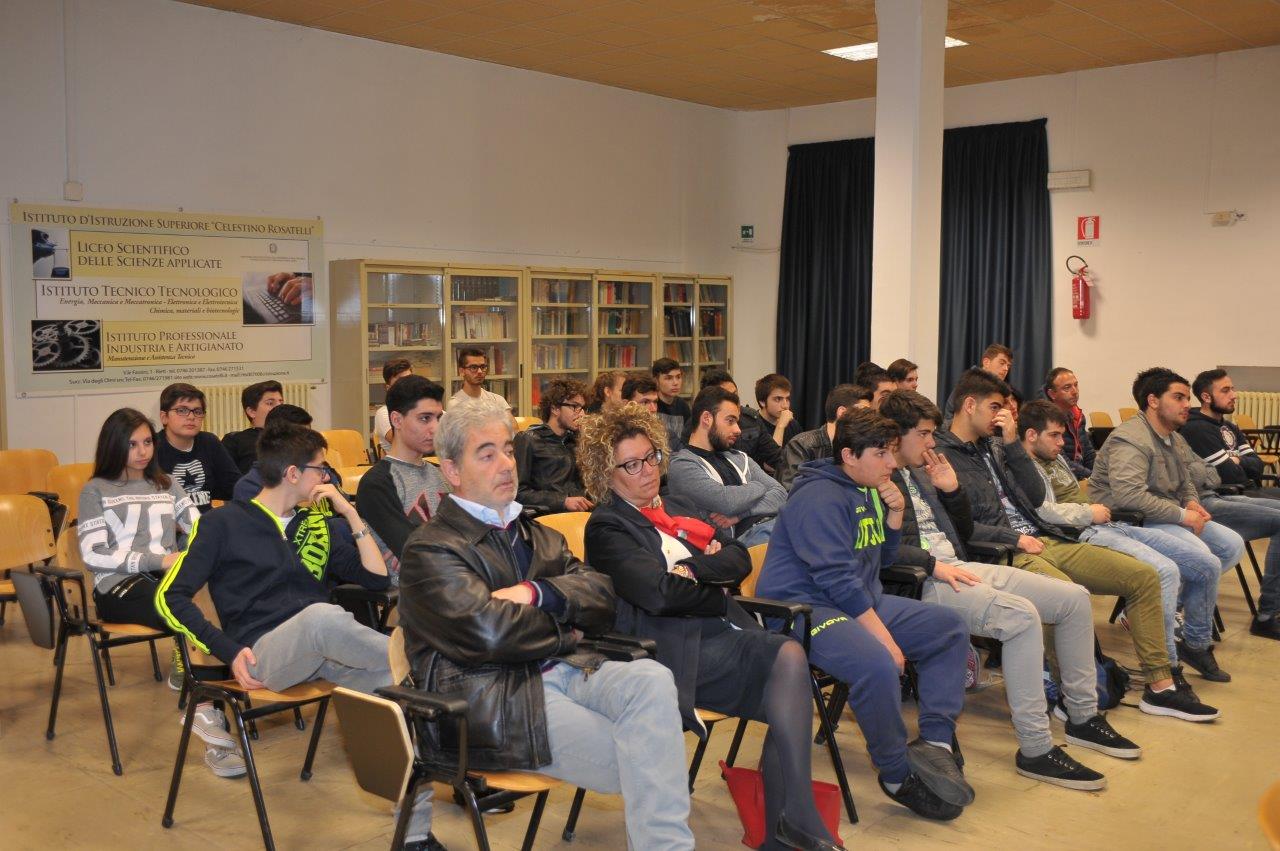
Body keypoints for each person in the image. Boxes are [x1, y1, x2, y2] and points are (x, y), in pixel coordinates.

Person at [396, 397, 695, 849]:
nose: (506, 464)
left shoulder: (537, 535)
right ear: (452, 470)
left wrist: (537, 594)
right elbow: (489, 632)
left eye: (508, 450)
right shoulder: (431, 549)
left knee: (651, 679)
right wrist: (568, 628)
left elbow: (602, 597)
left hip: (566, 670)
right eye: (486, 454)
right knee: (647, 757)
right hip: (492, 700)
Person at [579, 402, 841, 851]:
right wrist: (714, 589)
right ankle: (793, 824)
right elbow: (659, 595)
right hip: (668, 649)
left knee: (789, 678)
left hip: (718, 630)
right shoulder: (607, 527)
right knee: (788, 664)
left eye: (651, 457)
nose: (647, 470)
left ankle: (791, 826)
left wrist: (692, 571)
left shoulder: (676, 505)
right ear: (606, 474)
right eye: (631, 464)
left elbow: (737, 557)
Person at [880, 391, 1138, 787]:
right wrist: (933, 565)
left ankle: (1083, 716)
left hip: (960, 567)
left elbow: (964, 530)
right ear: (895, 436)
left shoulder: (921, 470)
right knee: (1021, 618)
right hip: (920, 581)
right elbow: (879, 551)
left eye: (932, 433)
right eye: (924, 434)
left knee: (1074, 599)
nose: (932, 442)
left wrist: (950, 491)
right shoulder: (877, 477)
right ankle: (1035, 748)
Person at [936, 368, 1218, 722]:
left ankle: (1160, 687)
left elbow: (1036, 497)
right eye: (995, 407)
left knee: (1146, 577)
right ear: (969, 405)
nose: (1002, 415)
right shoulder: (941, 454)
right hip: (1006, 549)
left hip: (1048, 536)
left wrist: (1010, 444)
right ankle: (1071, 698)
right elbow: (957, 524)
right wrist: (1013, 538)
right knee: (1068, 595)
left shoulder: (995, 446)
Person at [757, 407, 973, 821]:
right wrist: (886, 641)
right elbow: (837, 581)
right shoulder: (818, 498)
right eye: (881, 454)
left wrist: (895, 514)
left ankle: (935, 743)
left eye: (891, 451)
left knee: (948, 628)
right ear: (849, 455)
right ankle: (896, 774)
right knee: (877, 664)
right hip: (805, 610)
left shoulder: (868, 487)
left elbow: (883, 559)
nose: (892, 462)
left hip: (856, 601)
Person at [156, 423, 393, 782]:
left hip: (319, 653)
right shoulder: (222, 523)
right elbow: (170, 596)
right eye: (321, 468)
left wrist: (350, 513)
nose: (327, 477)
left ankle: (409, 802)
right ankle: (423, 659)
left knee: (391, 683)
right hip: (260, 654)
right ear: (293, 473)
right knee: (323, 617)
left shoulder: (314, 524)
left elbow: (377, 579)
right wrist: (228, 650)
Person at [76, 408, 243, 777]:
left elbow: (199, 529)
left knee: (221, 602)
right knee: (193, 615)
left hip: (169, 581)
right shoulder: (96, 490)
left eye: (147, 442)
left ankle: (208, 710)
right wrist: (159, 559)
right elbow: (93, 553)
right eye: (132, 444)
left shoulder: (166, 484)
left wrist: (197, 554)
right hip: (118, 587)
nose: (142, 451)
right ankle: (210, 719)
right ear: (113, 446)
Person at [1018, 398, 1228, 684]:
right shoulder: (1024, 465)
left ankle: (1196, 645)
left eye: (1062, 435)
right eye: (1054, 435)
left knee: (1207, 564)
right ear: (1031, 435)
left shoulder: (1056, 458)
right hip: (1083, 532)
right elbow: (1040, 511)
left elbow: (1187, 478)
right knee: (1164, 571)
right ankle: (1169, 668)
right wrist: (1088, 513)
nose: (1061, 443)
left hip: (1110, 523)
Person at [1086, 368, 1246, 680]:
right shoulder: (1130, 438)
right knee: (1203, 559)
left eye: (1187, 398)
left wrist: (1191, 501)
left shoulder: (1173, 436)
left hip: (1164, 513)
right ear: (1153, 401)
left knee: (1231, 545)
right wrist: (1183, 515)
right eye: (1179, 397)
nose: (1188, 404)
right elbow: (1129, 497)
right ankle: (1189, 640)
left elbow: (1186, 479)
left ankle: (1173, 617)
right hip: (1129, 521)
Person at [1181, 370, 1280, 639]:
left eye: (1232, 389)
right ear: (1206, 396)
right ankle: (1267, 615)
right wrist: (1238, 464)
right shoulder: (1196, 428)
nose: (1233, 395)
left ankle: (1272, 608)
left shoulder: (1230, 427)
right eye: (1225, 390)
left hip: (1235, 492)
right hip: (1210, 500)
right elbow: (1229, 474)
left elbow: (1256, 467)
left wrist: (1237, 462)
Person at [667, 386, 787, 547]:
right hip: (741, 544)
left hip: (774, 526)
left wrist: (740, 515)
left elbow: (781, 495)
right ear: (707, 418)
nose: (738, 430)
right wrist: (758, 486)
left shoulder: (739, 457)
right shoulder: (682, 465)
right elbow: (727, 501)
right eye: (730, 421)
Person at [358, 376, 449, 579]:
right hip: (413, 590)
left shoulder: (441, 474)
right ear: (397, 420)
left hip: (452, 579)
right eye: (425, 418)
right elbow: (415, 553)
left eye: (438, 418)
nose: (435, 428)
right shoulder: (377, 483)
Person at [155, 382, 241, 513]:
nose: (191, 416)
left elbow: (235, 486)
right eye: (182, 410)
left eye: (197, 411)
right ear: (164, 417)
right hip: (169, 522)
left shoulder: (209, 442)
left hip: (207, 520)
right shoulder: (151, 447)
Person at [514, 378, 593, 515]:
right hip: (548, 515)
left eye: (583, 408)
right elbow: (518, 493)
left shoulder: (577, 440)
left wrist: (587, 440)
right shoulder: (529, 439)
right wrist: (563, 501)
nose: (582, 414)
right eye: (575, 407)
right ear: (555, 408)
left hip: (582, 513)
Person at [776, 384, 870, 490]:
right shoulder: (801, 445)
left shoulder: (862, 447)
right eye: (864, 413)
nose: (870, 418)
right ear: (842, 413)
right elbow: (791, 490)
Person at [701, 367, 784, 476]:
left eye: (735, 394)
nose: (735, 400)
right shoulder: (701, 424)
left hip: (754, 478)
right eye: (728, 397)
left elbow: (777, 457)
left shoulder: (751, 420)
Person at [221, 380, 283, 473]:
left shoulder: (292, 437)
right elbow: (226, 477)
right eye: (270, 403)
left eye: (281, 403)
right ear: (251, 411)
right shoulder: (235, 441)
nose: (279, 407)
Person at [1044, 367, 1095, 479]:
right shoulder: (1047, 420)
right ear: (1052, 394)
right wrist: (1093, 477)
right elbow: (1062, 462)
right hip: (1064, 478)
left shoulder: (1078, 416)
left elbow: (1088, 453)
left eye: (1076, 385)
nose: (1075, 391)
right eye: (1067, 388)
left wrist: (1100, 473)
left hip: (1083, 476)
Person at [372, 358, 413, 457]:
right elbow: (403, 443)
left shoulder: (424, 407)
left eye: (410, 380)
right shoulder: (384, 413)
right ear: (388, 388)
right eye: (401, 381)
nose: (408, 385)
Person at [652, 357, 692, 451]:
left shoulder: (683, 406)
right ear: (656, 381)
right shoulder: (652, 405)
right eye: (668, 378)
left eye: (678, 377)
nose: (675, 383)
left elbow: (689, 438)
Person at [753, 373, 801, 447]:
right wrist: (780, 426)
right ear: (762, 402)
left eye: (787, 399)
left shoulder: (793, 424)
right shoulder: (753, 426)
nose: (785, 406)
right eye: (778, 399)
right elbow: (773, 454)